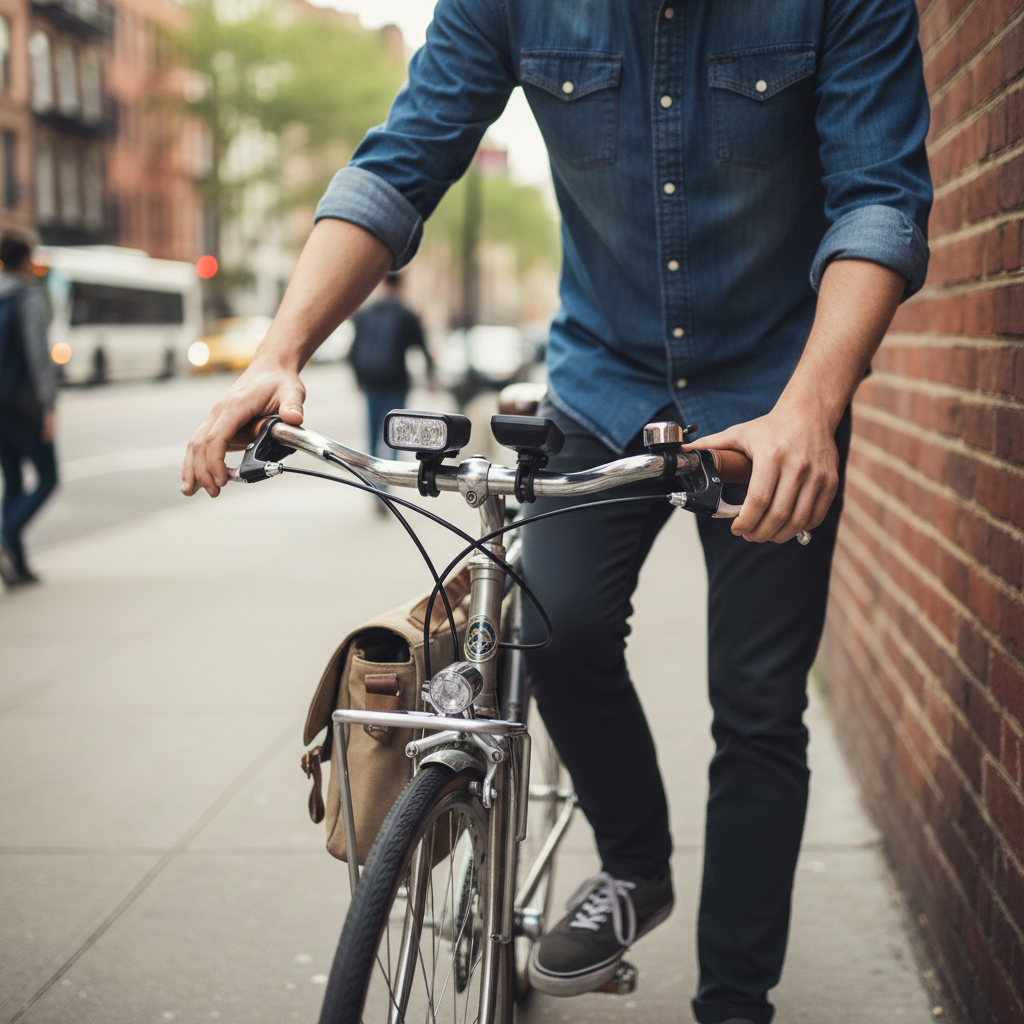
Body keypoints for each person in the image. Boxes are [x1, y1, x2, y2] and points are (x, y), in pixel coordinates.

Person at [182, 3, 931, 1021]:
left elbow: (879, 200)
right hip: (600, 384)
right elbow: (399, 165)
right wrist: (281, 351)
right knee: (551, 628)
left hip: (781, 394)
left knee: (759, 704)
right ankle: (634, 865)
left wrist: (814, 406)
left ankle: (734, 1001)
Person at [0, 234, 57, 588]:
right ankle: (6, 535)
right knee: (48, 477)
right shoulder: (28, 298)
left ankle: (17, 565)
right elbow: (39, 359)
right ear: (24, 260)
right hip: (23, 407)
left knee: (14, 481)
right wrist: (48, 407)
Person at [348, 271, 432, 460]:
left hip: (371, 381)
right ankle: (390, 471)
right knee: (395, 433)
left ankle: (370, 471)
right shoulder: (406, 314)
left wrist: (358, 378)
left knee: (372, 431)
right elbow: (422, 346)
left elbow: (353, 350)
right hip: (396, 381)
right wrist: (430, 376)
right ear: (401, 285)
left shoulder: (366, 313)